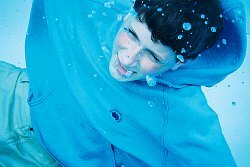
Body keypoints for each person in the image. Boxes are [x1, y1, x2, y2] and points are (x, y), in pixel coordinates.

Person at [0, 0, 246, 166]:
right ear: (130, 14)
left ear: (179, 63)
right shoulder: (95, 9)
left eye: (152, 55)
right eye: (131, 33)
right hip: (19, 96)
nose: (128, 57)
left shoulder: (180, 115)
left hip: (49, 159)